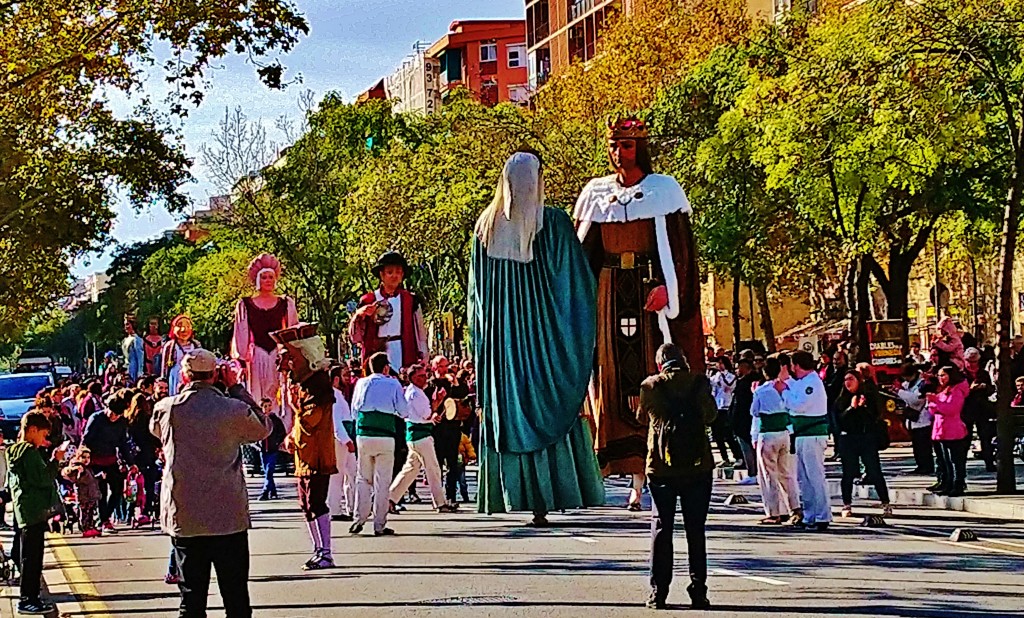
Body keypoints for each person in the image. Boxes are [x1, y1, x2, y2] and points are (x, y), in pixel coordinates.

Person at [575, 118, 705, 513]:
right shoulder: (596, 193)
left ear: (640, 148)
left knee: (653, 376)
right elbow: (581, 254)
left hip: (650, 296)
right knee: (609, 378)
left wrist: (669, 288)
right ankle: (615, 467)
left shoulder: (663, 191)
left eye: (627, 145)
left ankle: (649, 472)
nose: (619, 153)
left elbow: (681, 253)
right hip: (609, 293)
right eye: (614, 145)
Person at [470, 151, 605, 525]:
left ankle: (518, 495)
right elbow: (574, 287)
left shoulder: (485, 229)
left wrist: (483, 347)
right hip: (546, 344)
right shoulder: (555, 223)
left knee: (513, 413)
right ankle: (552, 494)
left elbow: (477, 302)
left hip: (503, 351)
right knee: (551, 401)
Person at [151, 348, 273, 618]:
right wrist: (236, 388)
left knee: (191, 599)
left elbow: (155, 431)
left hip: (186, 515)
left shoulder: (167, 409)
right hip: (227, 515)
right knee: (236, 596)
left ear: (184, 375)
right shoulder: (233, 409)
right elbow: (263, 427)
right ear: (217, 374)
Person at [637, 344, 715, 611]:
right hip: (698, 466)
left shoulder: (650, 386)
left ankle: (659, 592)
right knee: (696, 529)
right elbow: (711, 416)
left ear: (660, 364)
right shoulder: (700, 383)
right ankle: (699, 592)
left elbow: (640, 418)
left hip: (661, 469)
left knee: (662, 528)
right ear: (684, 360)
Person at [271, 323, 338, 570]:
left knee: (316, 502)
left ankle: (326, 552)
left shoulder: (319, 384)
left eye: (289, 358)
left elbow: (312, 418)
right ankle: (318, 549)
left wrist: (294, 407)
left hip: (317, 455)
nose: (284, 365)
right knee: (306, 503)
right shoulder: (303, 384)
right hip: (305, 454)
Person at [8, 411, 65, 615]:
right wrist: (56, 461)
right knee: (32, 559)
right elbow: (42, 479)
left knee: (29, 556)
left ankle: (30, 598)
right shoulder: (29, 453)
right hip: (33, 510)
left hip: (25, 509)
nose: (44, 439)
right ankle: (28, 599)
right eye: (43, 434)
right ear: (32, 430)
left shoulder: (15, 451)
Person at [231, 253, 299, 423]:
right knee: (257, 394)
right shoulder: (245, 304)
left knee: (280, 395)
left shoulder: (285, 303)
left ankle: (281, 428)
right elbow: (241, 333)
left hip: (278, 356)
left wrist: (290, 354)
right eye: (264, 277)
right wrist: (242, 360)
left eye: (270, 277)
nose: (268, 280)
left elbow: (292, 330)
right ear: (257, 280)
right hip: (257, 356)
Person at [349, 352, 407, 536]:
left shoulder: (361, 383)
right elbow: (404, 411)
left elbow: (354, 411)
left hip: (364, 434)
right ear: (386, 367)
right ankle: (379, 524)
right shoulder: (393, 384)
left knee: (362, 477)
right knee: (383, 481)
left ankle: (359, 518)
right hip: (385, 435)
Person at [388, 363, 454, 513]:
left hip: (415, 435)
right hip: (421, 436)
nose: (424, 378)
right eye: (420, 376)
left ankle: (390, 498)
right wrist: (436, 404)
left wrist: (436, 403)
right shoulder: (416, 394)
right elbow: (427, 415)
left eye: (425, 375)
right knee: (433, 469)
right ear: (412, 378)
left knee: (410, 470)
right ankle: (440, 503)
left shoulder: (415, 392)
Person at [349, 251, 429, 373]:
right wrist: (360, 314)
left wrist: (423, 353)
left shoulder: (410, 300)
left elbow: (420, 331)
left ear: (402, 275)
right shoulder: (368, 300)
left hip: (403, 350)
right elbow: (355, 337)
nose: (394, 276)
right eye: (390, 272)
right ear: (382, 275)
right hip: (376, 352)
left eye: (398, 272)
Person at [779, 351, 832, 531]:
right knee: (804, 478)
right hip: (802, 435)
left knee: (815, 476)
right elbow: (794, 389)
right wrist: (786, 382)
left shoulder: (813, 383)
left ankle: (822, 516)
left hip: (813, 434)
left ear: (796, 365)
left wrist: (784, 392)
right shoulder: (802, 382)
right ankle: (810, 515)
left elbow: (799, 405)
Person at [835, 371, 892, 518]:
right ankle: (846, 504)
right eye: (845, 379)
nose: (848, 382)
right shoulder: (842, 399)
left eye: (851, 379)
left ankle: (885, 503)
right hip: (848, 439)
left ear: (858, 381)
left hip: (867, 438)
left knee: (875, 471)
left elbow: (876, 417)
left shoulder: (869, 396)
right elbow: (839, 421)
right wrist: (851, 408)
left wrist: (863, 407)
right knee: (848, 473)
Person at [750, 357, 800, 525]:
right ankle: (794, 506)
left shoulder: (761, 390)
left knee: (768, 474)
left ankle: (774, 512)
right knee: (785, 472)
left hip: (768, 432)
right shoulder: (786, 387)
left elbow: (754, 411)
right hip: (784, 432)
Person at [83, 388, 133, 533]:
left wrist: (131, 463)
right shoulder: (96, 419)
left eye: (118, 414)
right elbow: (86, 440)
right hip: (95, 461)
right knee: (102, 492)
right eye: (112, 413)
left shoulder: (121, 422)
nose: (114, 417)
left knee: (117, 490)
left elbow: (123, 444)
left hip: (111, 459)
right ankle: (104, 521)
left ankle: (106, 517)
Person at [926, 365, 970, 496]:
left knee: (955, 459)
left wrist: (935, 402)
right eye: (939, 376)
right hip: (942, 428)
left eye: (943, 375)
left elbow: (952, 409)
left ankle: (958, 483)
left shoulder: (956, 391)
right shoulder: (944, 390)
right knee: (946, 460)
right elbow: (933, 410)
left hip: (953, 429)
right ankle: (949, 483)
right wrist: (933, 404)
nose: (941, 378)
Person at [327, 368, 358, 521]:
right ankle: (334, 509)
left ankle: (352, 506)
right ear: (336, 378)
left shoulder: (339, 395)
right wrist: (346, 440)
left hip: (346, 436)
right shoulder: (333, 396)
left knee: (352, 473)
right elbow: (336, 422)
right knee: (337, 475)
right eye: (344, 375)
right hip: (341, 440)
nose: (348, 378)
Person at [124, 391, 158, 523]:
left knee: (133, 484)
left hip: (134, 456)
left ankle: (130, 512)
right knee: (149, 484)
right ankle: (146, 510)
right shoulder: (148, 419)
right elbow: (154, 437)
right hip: (148, 454)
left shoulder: (128, 420)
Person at [962, 347, 997, 472]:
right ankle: (961, 464)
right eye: (969, 361)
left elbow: (991, 389)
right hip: (966, 408)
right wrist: (971, 389)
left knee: (985, 437)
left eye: (975, 361)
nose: (972, 364)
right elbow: (959, 393)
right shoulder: (962, 374)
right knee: (965, 438)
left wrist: (985, 387)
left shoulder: (983, 373)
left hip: (982, 409)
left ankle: (989, 463)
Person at [896, 363, 933, 474]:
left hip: (923, 420)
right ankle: (920, 465)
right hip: (913, 420)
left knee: (924, 446)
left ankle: (927, 466)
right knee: (917, 446)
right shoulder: (908, 384)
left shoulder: (922, 383)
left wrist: (899, 391)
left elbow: (916, 399)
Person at [709, 357, 741, 470]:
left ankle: (738, 456)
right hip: (717, 407)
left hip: (726, 407)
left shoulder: (731, 376)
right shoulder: (715, 376)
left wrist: (722, 376)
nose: (719, 365)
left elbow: (728, 386)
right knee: (717, 435)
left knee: (728, 434)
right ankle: (725, 458)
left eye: (721, 363)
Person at [62, 447, 101, 538]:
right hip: (84, 495)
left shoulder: (88, 468)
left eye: (88, 457)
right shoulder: (79, 468)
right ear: (78, 457)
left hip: (91, 494)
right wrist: (80, 472)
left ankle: (90, 527)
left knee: (90, 513)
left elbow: (91, 480)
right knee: (84, 513)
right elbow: (77, 479)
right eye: (83, 457)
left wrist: (98, 477)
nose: (86, 459)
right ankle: (85, 528)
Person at [730, 358, 759, 482]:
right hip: (745, 419)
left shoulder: (745, 383)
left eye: (738, 367)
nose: (737, 370)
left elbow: (740, 403)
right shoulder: (745, 381)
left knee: (748, 447)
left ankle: (753, 472)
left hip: (744, 419)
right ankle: (753, 471)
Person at [160, 315, 202, 396]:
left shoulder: (196, 344)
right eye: (179, 326)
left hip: (191, 375)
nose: (183, 329)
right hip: (175, 376)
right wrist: (163, 379)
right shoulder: (170, 345)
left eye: (187, 326)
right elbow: (164, 366)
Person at [256, 399, 286, 501]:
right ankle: (273, 491)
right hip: (263, 450)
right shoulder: (259, 419)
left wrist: (277, 442)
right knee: (266, 472)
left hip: (273, 449)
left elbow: (282, 432)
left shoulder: (275, 420)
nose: (268, 408)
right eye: (265, 406)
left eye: (269, 405)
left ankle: (265, 492)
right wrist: (257, 443)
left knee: (269, 471)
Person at [122, 316, 147, 383]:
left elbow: (140, 357)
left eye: (127, 324)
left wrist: (140, 372)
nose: (126, 327)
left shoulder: (136, 339)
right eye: (125, 325)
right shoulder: (125, 340)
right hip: (127, 368)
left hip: (134, 368)